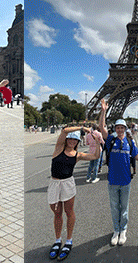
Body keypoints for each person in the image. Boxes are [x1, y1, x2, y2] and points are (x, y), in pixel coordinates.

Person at [46, 105, 105, 261]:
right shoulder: (58, 148)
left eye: (75, 139)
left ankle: (69, 240)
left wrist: (98, 142)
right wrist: (84, 128)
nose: (72, 140)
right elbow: (64, 131)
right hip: (54, 183)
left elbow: (94, 157)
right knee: (57, 212)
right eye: (71, 138)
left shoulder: (77, 154)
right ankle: (58, 240)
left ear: (77, 142)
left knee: (69, 212)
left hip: (68, 184)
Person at [101, 110, 138, 246]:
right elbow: (102, 128)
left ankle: (123, 230)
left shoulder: (130, 143)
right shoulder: (111, 140)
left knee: (124, 208)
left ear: (125, 129)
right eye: (118, 128)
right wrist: (103, 111)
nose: (120, 130)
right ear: (115, 129)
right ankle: (116, 230)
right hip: (113, 181)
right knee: (115, 207)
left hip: (125, 181)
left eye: (122, 128)